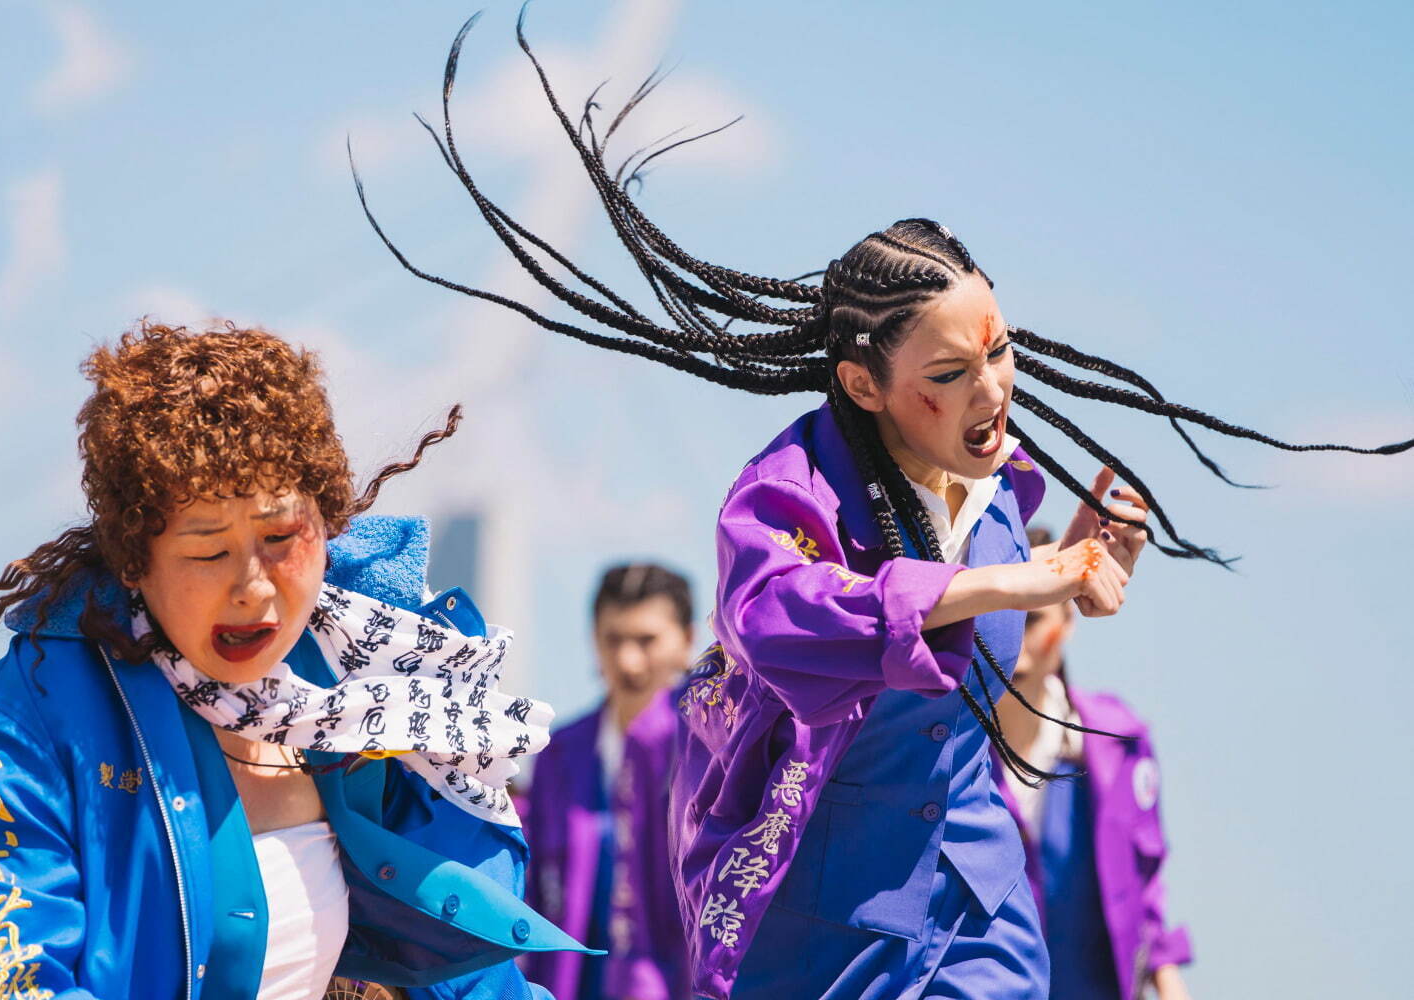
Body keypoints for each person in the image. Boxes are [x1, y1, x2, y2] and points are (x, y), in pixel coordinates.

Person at [348, 15, 1413, 996]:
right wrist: (1012, 579)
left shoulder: (1007, 490)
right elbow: (784, 620)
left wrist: (1082, 577)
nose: (992, 389)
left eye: (999, 352)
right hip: (827, 917)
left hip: (983, 902)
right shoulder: (788, 493)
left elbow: (994, 696)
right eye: (950, 371)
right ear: (864, 385)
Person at [0, 322, 593, 1000]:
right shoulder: (27, 730)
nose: (252, 587)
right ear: (133, 561)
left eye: (279, 537)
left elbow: (480, 986)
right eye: (207, 551)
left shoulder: (367, 693)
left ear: (327, 525)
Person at [993, 528, 1192, 1000]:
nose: (1018, 638)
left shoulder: (1118, 741)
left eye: (1034, 619)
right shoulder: (942, 749)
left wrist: (1167, 980)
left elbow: (1145, 881)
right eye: (1003, 619)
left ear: (1069, 618)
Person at [523, 564, 695, 1000]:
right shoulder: (560, 750)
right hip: (573, 982)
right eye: (613, 639)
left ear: (688, 641)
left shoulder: (709, 749)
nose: (627, 660)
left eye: (646, 640)